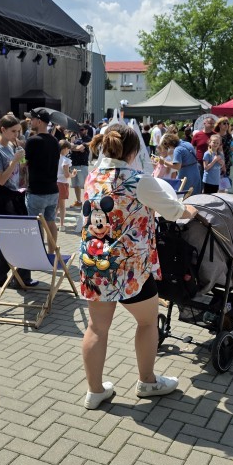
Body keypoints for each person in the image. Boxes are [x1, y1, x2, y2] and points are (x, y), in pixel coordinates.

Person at [80, 123, 197, 410]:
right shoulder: (138, 180)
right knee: (147, 322)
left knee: (96, 328)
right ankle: (147, 381)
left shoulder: (92, 177)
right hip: (130, 268)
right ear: (133, 151)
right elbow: (174, 211)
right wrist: (191, 209)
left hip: (96, 264)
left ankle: (95, 391)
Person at [0, 114, 38, 288]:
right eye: (13, 131)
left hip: (14, 195)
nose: (17, 135)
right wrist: (15, 160)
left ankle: (7, 277)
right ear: (3, 129)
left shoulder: (10, 146)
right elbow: (1, 180)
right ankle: (16, 278)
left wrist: (22, 161)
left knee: (18, 237)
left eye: (18, 131)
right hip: (2, 197)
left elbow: (17, 171)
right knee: (10, 238)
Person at [24, 108, 60, 248]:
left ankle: (39, 254)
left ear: (39, 121)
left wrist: (19, 156)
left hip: (37, 191)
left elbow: (24, 163)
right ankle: (51, 253)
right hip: (53, 189)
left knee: (36, 224)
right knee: (51, 222)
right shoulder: (55, 141)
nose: (30, 121)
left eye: (32, 119)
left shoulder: (32, 141)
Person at [70, 125, 92, 207]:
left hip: (82, 165)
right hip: (74, 164)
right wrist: (75, 147)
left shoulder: (88, 139)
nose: (80, 131)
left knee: (85, 185)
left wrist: (74, 147)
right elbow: (71, 147)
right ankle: (79, 201)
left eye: (82, 129)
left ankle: (87, 202)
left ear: (86, 130)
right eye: (79, 130)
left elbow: (79, 148)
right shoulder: (76, 139)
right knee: (75, 184)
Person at [56, 140, 76, 229]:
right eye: (68, 149)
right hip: (62, 183)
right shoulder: (65, 160)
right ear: (65, 149)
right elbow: (67, 175)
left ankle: (52, 222)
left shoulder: (54, 157)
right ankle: (61, 225)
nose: (68, 151)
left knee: (56, 205)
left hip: (54, 182)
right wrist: (73, 174)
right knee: (62, 206)